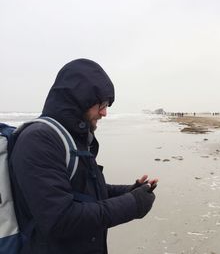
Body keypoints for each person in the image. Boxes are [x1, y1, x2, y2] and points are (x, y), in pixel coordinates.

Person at [9, 59, 158, 254]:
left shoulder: (72, 138)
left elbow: (83, 190)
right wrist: (132, 204)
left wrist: (129, 191)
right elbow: (59, 219)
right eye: (102, 104)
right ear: (80, 100)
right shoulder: (38, 140)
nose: (104, 112)